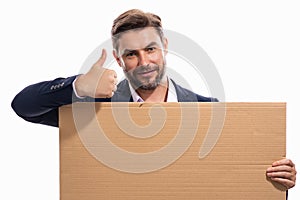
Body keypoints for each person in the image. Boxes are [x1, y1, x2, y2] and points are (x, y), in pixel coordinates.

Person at [11, 9, 296, 194]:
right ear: (119, 59)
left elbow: (228, 179)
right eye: (132, 54)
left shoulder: (208, 109)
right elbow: (24, 106)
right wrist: (78, 86)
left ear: (165, 48)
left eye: (150, 49)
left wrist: (277, 178)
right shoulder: (95, 112)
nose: (144, 62)